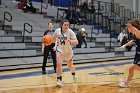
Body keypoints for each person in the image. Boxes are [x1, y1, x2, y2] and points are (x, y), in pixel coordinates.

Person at [53, 19, 78, 87]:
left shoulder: (70, 32)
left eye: (68, 25)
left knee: (70, 66)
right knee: (59, 63)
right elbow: (54, 39)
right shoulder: (57, 31)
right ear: (62, 25)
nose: (66, 26)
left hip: (68, 51)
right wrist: (51, 43)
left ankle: (74, 74)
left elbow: (76, 42)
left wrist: (70, 40)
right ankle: (59, 80)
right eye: (65, 25)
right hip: (60, 49)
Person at [118, 19, 140, 88]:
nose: (127, 29)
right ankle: (126, 83)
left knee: (132, 68)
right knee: (132, 69)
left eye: (128, 27)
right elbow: (132, 41)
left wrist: (132, 27)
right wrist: (124, 45)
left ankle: (126, 82)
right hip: (138, 54)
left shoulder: (138, 33)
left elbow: (138, 32)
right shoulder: (134, 34)